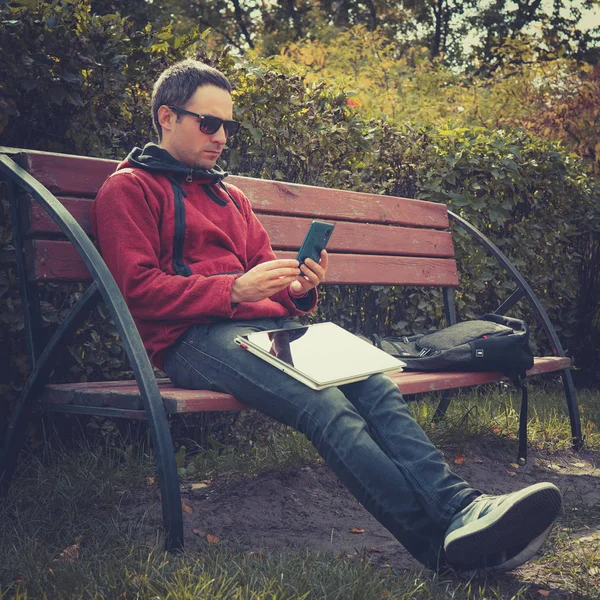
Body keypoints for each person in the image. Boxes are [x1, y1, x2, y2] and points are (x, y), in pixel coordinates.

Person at [91, 59, 562, 574]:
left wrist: (298, 288)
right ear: (166, 117)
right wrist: (233, 289)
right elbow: (136, 291)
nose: (222, 136)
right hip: (194, 339)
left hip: (268, 330)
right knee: (326, 407)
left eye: (229, 125)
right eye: (209, 123)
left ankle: (465, 509)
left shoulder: (231, 198)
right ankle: (445, 548)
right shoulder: (129, 189)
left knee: (373, 385)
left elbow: (266, 277)